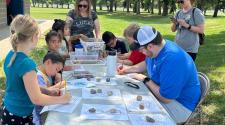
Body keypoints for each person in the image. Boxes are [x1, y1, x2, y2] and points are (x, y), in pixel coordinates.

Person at [117, 26, 201, 123]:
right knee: (129, 98)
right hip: (169, 97)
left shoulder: (172, 59)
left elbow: (166, 98)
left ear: (150, 46)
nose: (141, 53)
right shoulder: (158, 48)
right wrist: (127, 69)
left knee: (133, 112)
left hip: (181, 106)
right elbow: (146, 63)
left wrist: (145, 79)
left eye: (140, 50)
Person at [0, 15, 71, 125]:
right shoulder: (27, 64)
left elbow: (23, 85)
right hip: (20, 117)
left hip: (9, 111)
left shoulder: (10, 55)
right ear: (33, 37)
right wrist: (63, 99)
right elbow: (37, 99)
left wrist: (46, 90)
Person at [33, 52, 66, 125]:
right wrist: (60, 85)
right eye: (56, 69)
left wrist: (58, 75)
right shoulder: (39, 76)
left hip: (48, 107)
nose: (56, 72)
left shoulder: (47, 71)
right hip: (41, 114)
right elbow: (43, 94)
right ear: (48, 62)